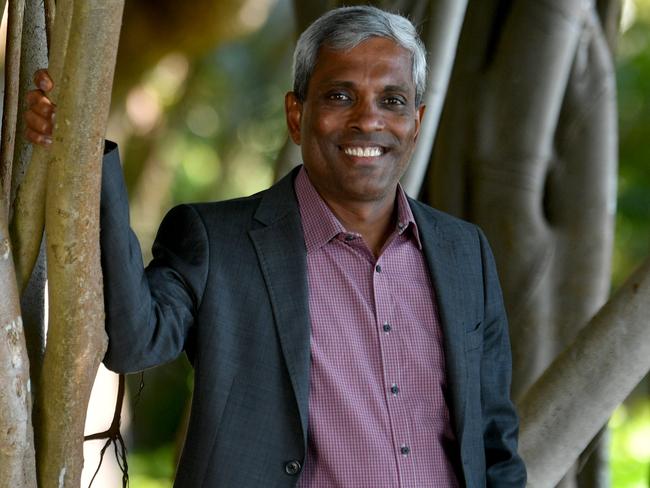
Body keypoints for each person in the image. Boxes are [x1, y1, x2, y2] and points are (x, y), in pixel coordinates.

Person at [26, 6, 526, 487]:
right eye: (340, 96)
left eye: (391, 100)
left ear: (415, 122)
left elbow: (493, 438)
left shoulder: (464, 252)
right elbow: (135, 342)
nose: (368, 121)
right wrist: (84, 152)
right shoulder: (217, 241)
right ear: (296, 114)